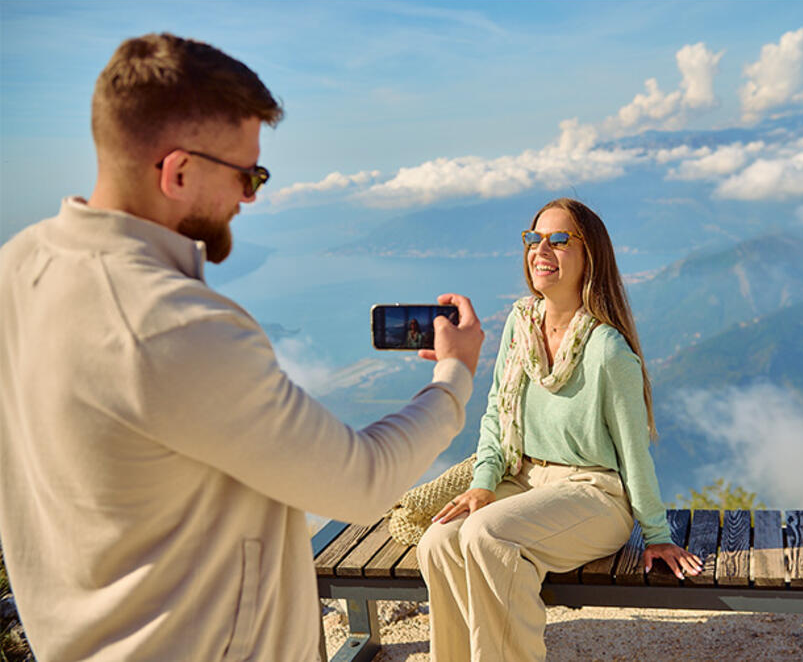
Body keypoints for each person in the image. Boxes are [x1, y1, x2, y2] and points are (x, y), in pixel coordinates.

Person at [0, 33, 484, 661]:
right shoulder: (174, 324)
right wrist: (454, 377)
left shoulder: (19, 268)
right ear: (177, 171)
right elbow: (361, 483)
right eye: (247, 174)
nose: (251, 195)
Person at [416, 198, 703, 661]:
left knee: (486, 534)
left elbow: (634, 451)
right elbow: (495, 414)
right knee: (438, 542)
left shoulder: (608, 350)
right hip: (524, 481)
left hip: (595, 495)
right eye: (534, 239)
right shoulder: (519, 325)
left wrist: (657, 534)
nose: (541, 250)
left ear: (590, 255)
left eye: (559, 240)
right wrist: (483, 484)